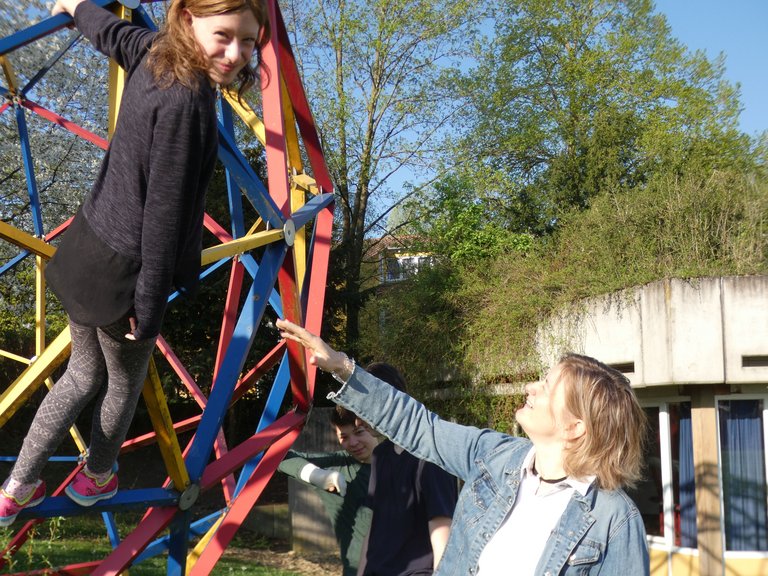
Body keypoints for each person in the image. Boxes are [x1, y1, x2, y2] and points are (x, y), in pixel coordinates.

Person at [0, 0, 269, 526]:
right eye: (225, 35)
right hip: (126, 278)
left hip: (87, 254)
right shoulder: (188, 105)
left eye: (249, 42)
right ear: (188, 18)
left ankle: (16, 488)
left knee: (80, 376)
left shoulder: (157, 54)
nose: (236, 53)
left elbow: (115, 36)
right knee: (121, 383)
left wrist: (76, 6)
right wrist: (147, 311)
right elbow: (163, 221)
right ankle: (99, 476)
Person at [275, 319, 650, 576]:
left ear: (574, 427)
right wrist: (342, 366)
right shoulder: (494, 456)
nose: (532, 387)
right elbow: (420, 426)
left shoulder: (615, 521)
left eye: (548, 386)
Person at [358, 362, 457, 576]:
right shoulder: (380, 455)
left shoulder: (432, 456)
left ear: (387, 398)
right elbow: (374, 527)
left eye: (362, 404)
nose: (358, 419)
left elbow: (442, 534)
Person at [279, 407, 381, 576]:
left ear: (373, 428)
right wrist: (316, 475)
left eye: (359, 432)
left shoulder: (401, 464)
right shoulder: (338, 466)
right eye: (344, 437)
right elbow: (276, 456)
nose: (353, 442)